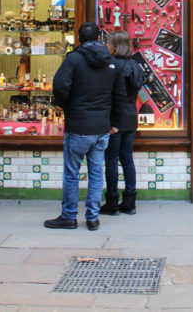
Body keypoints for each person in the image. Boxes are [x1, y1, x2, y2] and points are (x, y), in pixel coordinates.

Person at [45, 22, 126, 231]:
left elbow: (60, 87)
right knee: (96, 172)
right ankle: (92, 217)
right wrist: (115, 122)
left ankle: (69, 216)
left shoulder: (73, 59)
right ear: (99, 37)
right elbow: (120, 96)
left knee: (72, 173)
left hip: (78, 126)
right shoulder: (111, 62)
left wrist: (69, 106)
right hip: (102, 128)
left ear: (79, 37)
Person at [100, 31, 146, 216]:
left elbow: (110, 95)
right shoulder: (135, 65)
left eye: (108, 43)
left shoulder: (111, 65)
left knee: (111, 160)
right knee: (127, 159)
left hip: (115, 119)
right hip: (131, 117)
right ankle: (129, 203)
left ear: (114, 45)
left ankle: (112, 202)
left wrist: (111, 120)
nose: (106, 46)